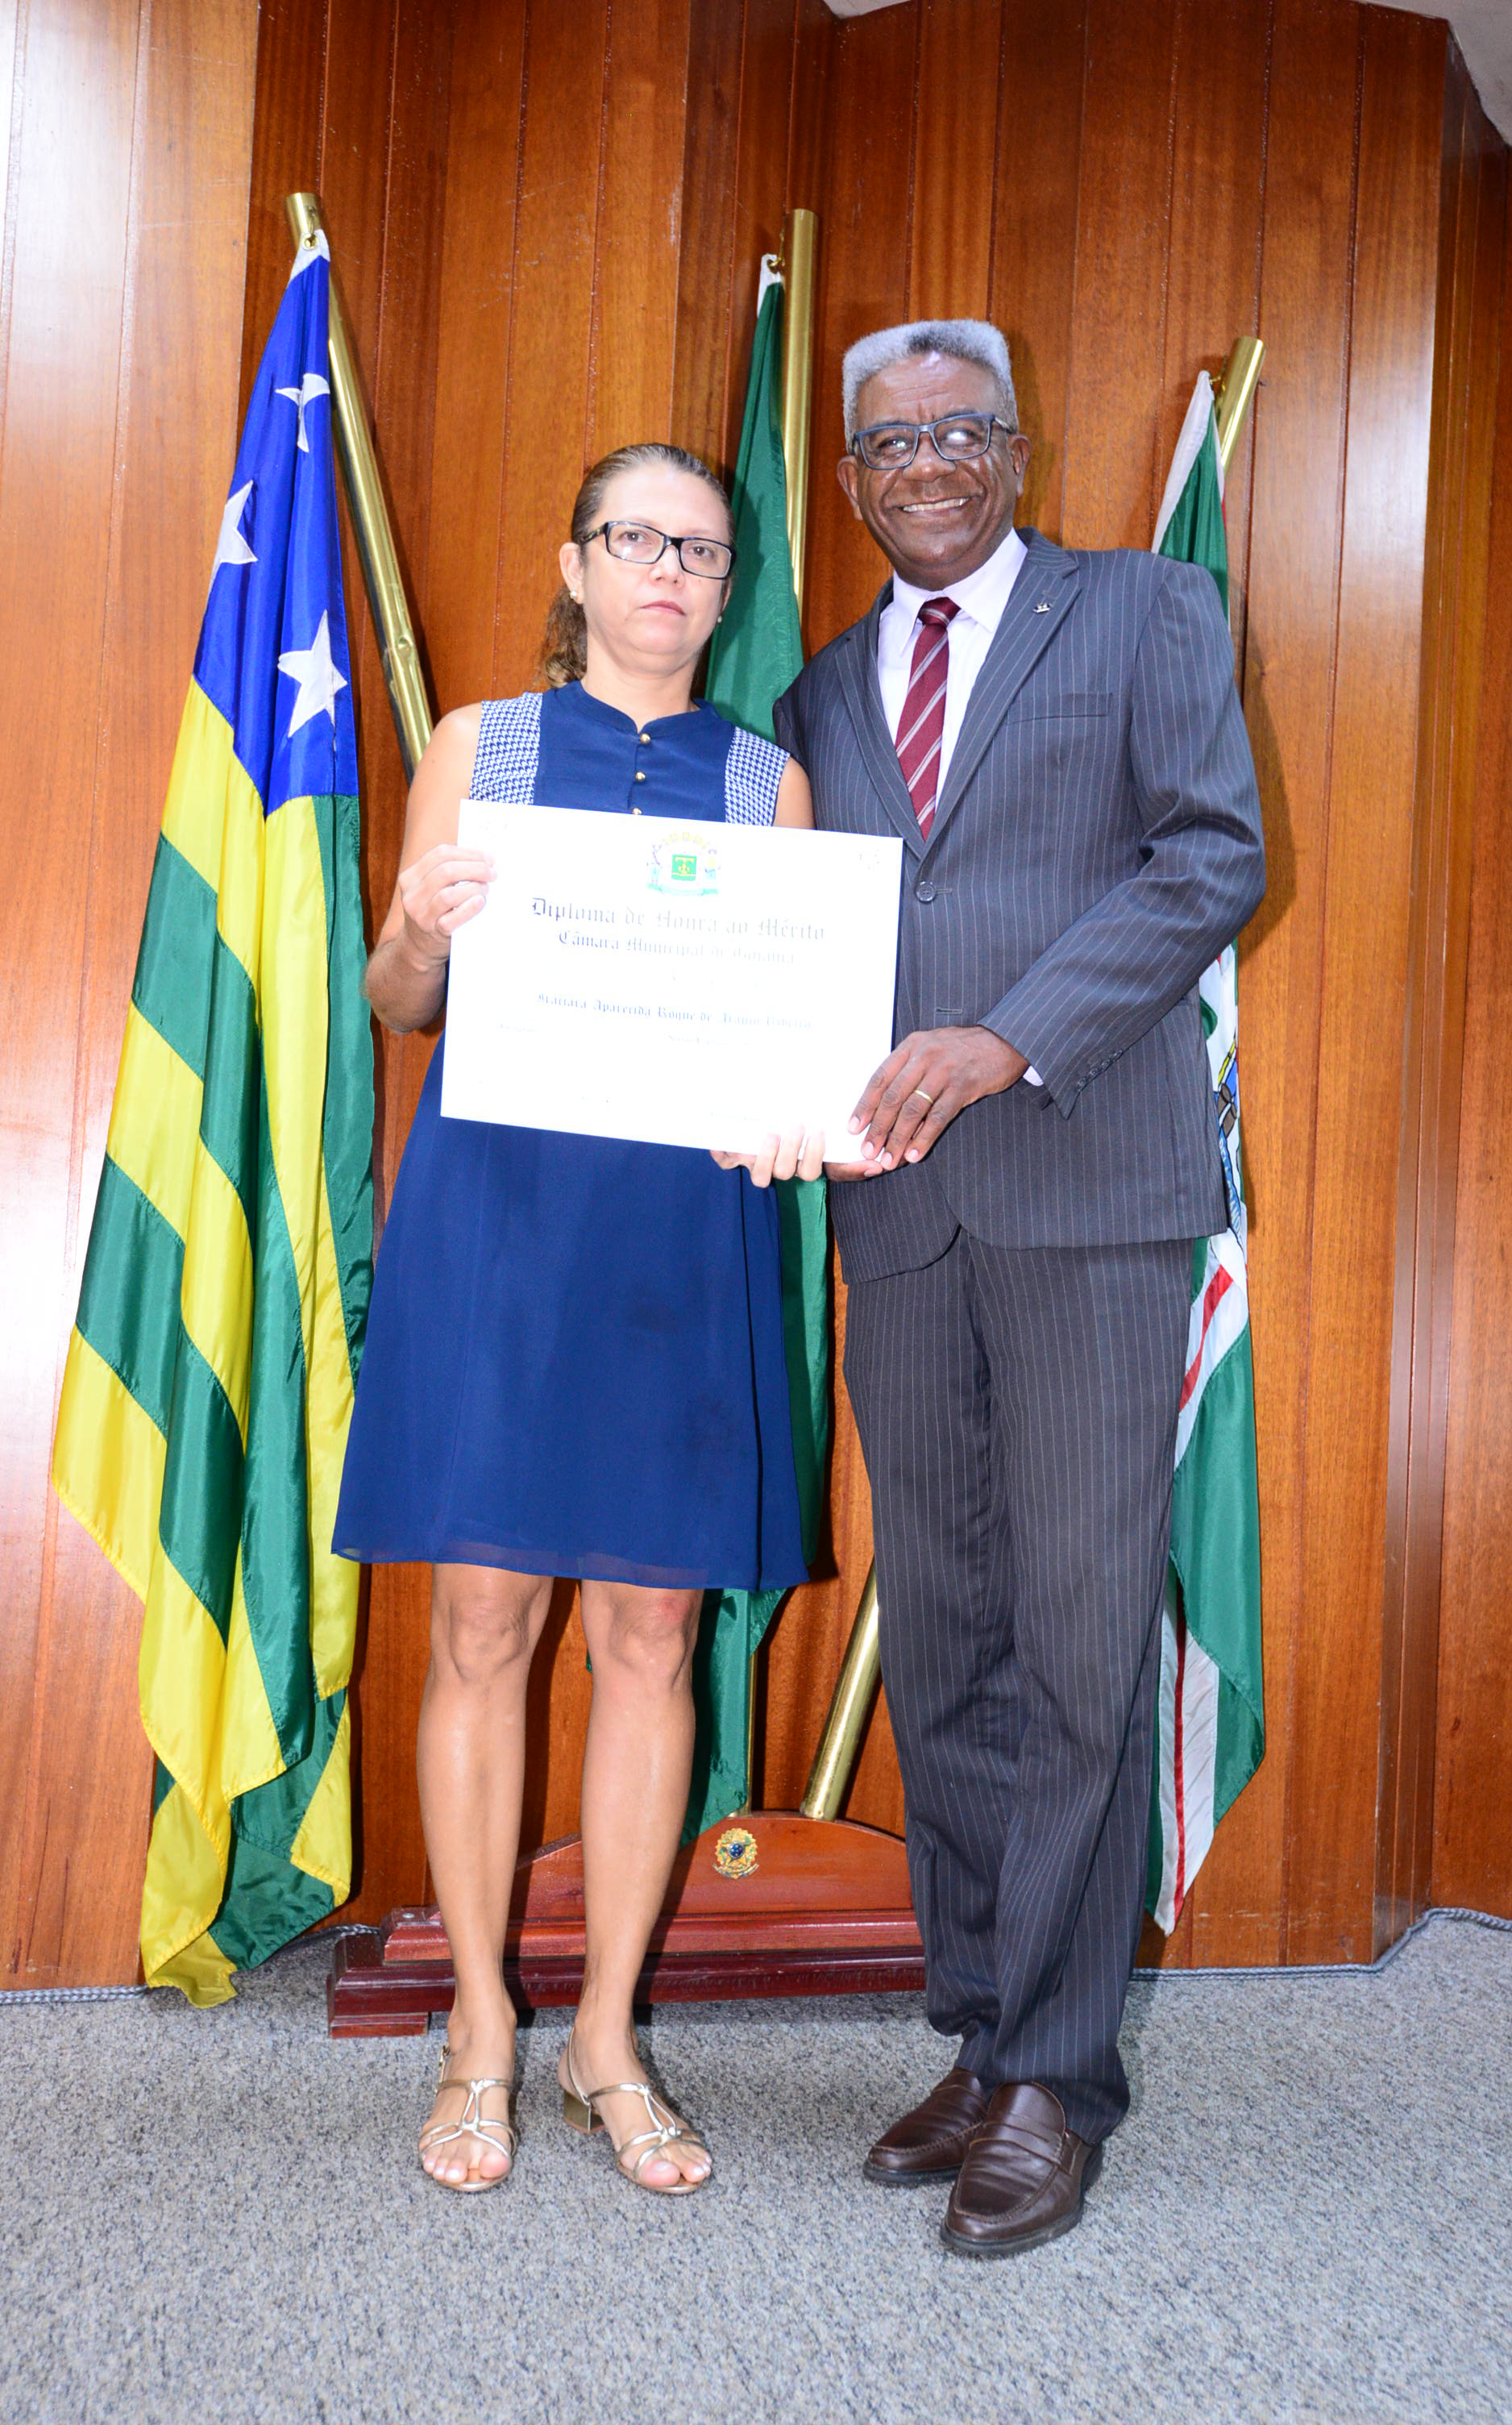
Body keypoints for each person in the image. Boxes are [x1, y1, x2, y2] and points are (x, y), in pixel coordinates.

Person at [775, 321, 1265, 2257]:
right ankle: (983, 2032)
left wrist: (1005, 1037)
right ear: (848, 478)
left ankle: (1060, 2074)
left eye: (961, 430)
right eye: (889, 442)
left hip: (1085, 1199)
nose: (928, 463)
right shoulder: (818, 690)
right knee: (952, 1639)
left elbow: (1209, 857)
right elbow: (799, 945)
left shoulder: (1143, 610)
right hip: (899, 1223)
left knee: (1074, 1640)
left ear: (1014, 447)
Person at [334, 442, 820, 2195]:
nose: (669, 571)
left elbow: (790, 1031)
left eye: (701, 549)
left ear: (725, 583)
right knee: (481, 1622)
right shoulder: (481, 746)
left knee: (651, 1635)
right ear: (577, 562)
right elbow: (400, 999)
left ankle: (606, 2033)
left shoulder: (767, 781)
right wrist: (417, 921)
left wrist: (794, 1104)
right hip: (501, 1228)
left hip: (677, 1240)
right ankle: (480, 2023)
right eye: (637, 539)